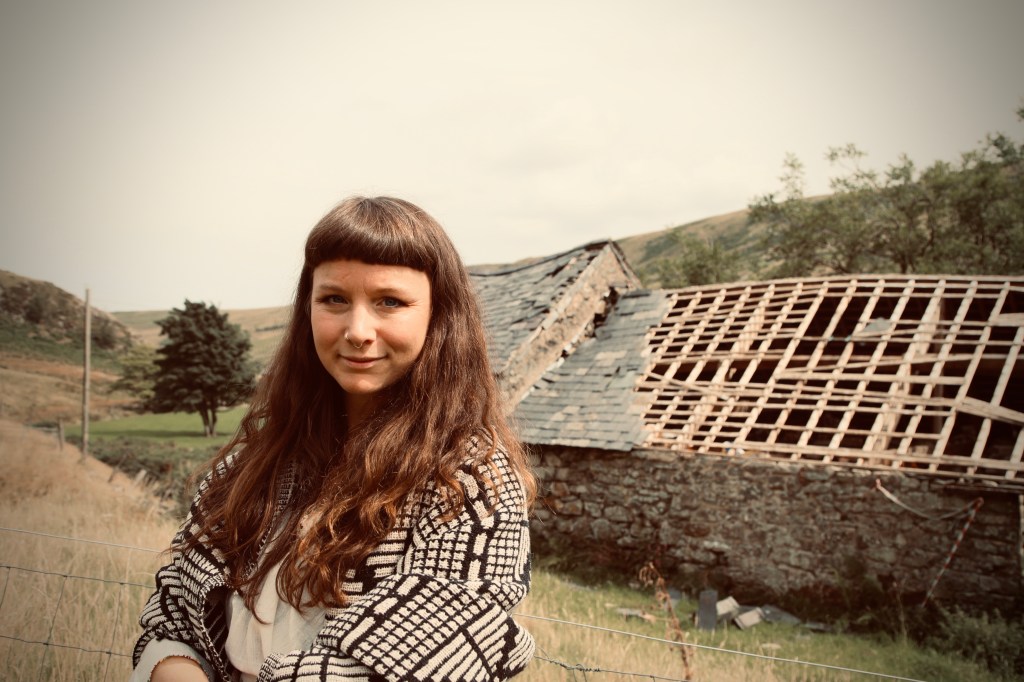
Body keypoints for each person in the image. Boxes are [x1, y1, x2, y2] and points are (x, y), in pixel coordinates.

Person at [131, 196, 536, 682]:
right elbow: (173, 613)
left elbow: (418, 665)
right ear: (307, 308)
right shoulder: (252, 462)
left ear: (439, 315)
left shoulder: (470, 480)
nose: (358, 330)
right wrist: (177, 667)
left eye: (390, 302)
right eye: (334, 300)